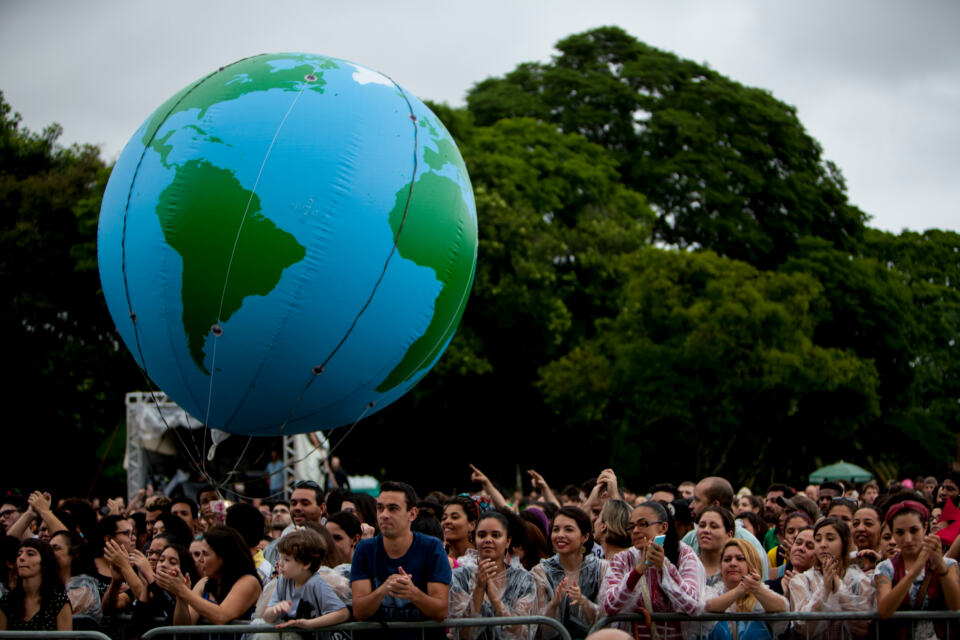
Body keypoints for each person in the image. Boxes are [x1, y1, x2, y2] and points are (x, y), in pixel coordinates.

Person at [350, 480, 451, 639]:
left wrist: (413, 593)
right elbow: (359, 611)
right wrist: (384, 589)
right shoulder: (364, 549)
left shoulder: (432, 547)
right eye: (380, 508)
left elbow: (440, 611)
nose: (384, 515)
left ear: (412, 514)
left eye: (393, 508)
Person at [602, 501, 705, 640]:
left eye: (643, 524)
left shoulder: (684, 555)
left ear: (663, 527)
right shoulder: (622, 559)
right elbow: (609, 606)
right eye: (631, 526)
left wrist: (665, 567)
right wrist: (638, 571)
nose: (636, 531)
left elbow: (693, 605)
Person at [876, 495, 960, 639]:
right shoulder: (885, 568)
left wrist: (940, 565)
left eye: (914, 530)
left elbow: (955, 605)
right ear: (892, 533)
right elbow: (884, 611)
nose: (908, 539)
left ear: (925, 527)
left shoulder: (948, 564)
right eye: (900, 532)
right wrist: (914, 572)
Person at [449, 511, 537, 640]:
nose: (488, 540)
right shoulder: (459, 577)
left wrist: (494, 598)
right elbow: (462, 634)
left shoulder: (524, 580)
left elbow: (521, 633)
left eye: (496, 535)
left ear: (508, 541)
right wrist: (479, 589)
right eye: (482, 535)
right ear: (474, 539)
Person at [788, 517, 875, 639]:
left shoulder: (860, 580)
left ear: (844, 542)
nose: (823, 545)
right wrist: (824, 590)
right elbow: (803, 628)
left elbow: (863, 628)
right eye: (818, 540)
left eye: (830, 539)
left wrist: (838, 586)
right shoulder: (800, 581)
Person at [156, 525, 262, 625]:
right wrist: (181, 598)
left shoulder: (249, 581)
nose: (200, 560)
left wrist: (183, 591)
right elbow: (183, 628)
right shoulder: (204, 582)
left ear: (223, 557)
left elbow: (221, 616)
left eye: (205, 554)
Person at [533, 506, 607, 639]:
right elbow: (539, 630)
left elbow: (606, 621)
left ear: (585, 536)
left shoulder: (601, 568)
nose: (560, 535)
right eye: (556, 529)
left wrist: (583, 601)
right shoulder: (541, 571)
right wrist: (554, 603)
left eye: (568, 529)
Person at [263, 528, 349, 635]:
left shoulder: (316, 583)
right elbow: (267, 617)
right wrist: (274, 610)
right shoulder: (283, 580)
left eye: (287, 560)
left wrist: (309, 624)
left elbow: (342, 613)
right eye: (280, 558)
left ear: (306, 563)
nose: (280, 564)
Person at [682, 476, 770, 577]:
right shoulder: (691, 538)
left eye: (697, 500)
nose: (691, 506)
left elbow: (759, 586)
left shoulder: (748, 544)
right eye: (702, 525)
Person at [704, 539, 787, 640]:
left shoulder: (761, 592)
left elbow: (782, 607)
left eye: (740, 559)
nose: (732, 563)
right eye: (727, 559)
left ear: (751, 564)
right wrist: (738, 590)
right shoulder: (714, 592)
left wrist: (757, 589)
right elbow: (707, 606)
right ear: (720, 567)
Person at [0, 539, 71, 631]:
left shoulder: (59, 601)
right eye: (19, 554)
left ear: (44, 562)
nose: (21, 557)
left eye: (30, 554)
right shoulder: (6, 601)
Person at [49, 530, 101, 619]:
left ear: (74, 553)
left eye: (56, 548)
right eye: (48, 549)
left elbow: (55, 611)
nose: (49, 553)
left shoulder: (85, 584)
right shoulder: (48, 582)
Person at [696, 506, 734, 587]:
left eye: (714, 526)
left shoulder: (735, 569)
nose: (706, 530)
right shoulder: (686, 566)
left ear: (729, 535)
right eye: (702, 525)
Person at [443, 495, 479, 567]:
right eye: (444, 518)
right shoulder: (439, 557)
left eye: (454, 517)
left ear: (471, 525)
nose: (447, 521)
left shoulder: (482, 560)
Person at [851, 505, 883, 572]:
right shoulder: (847, 560)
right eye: (856, 524)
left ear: (882, 528)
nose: (860, 529)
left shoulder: (891, 560)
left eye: (868, 524)